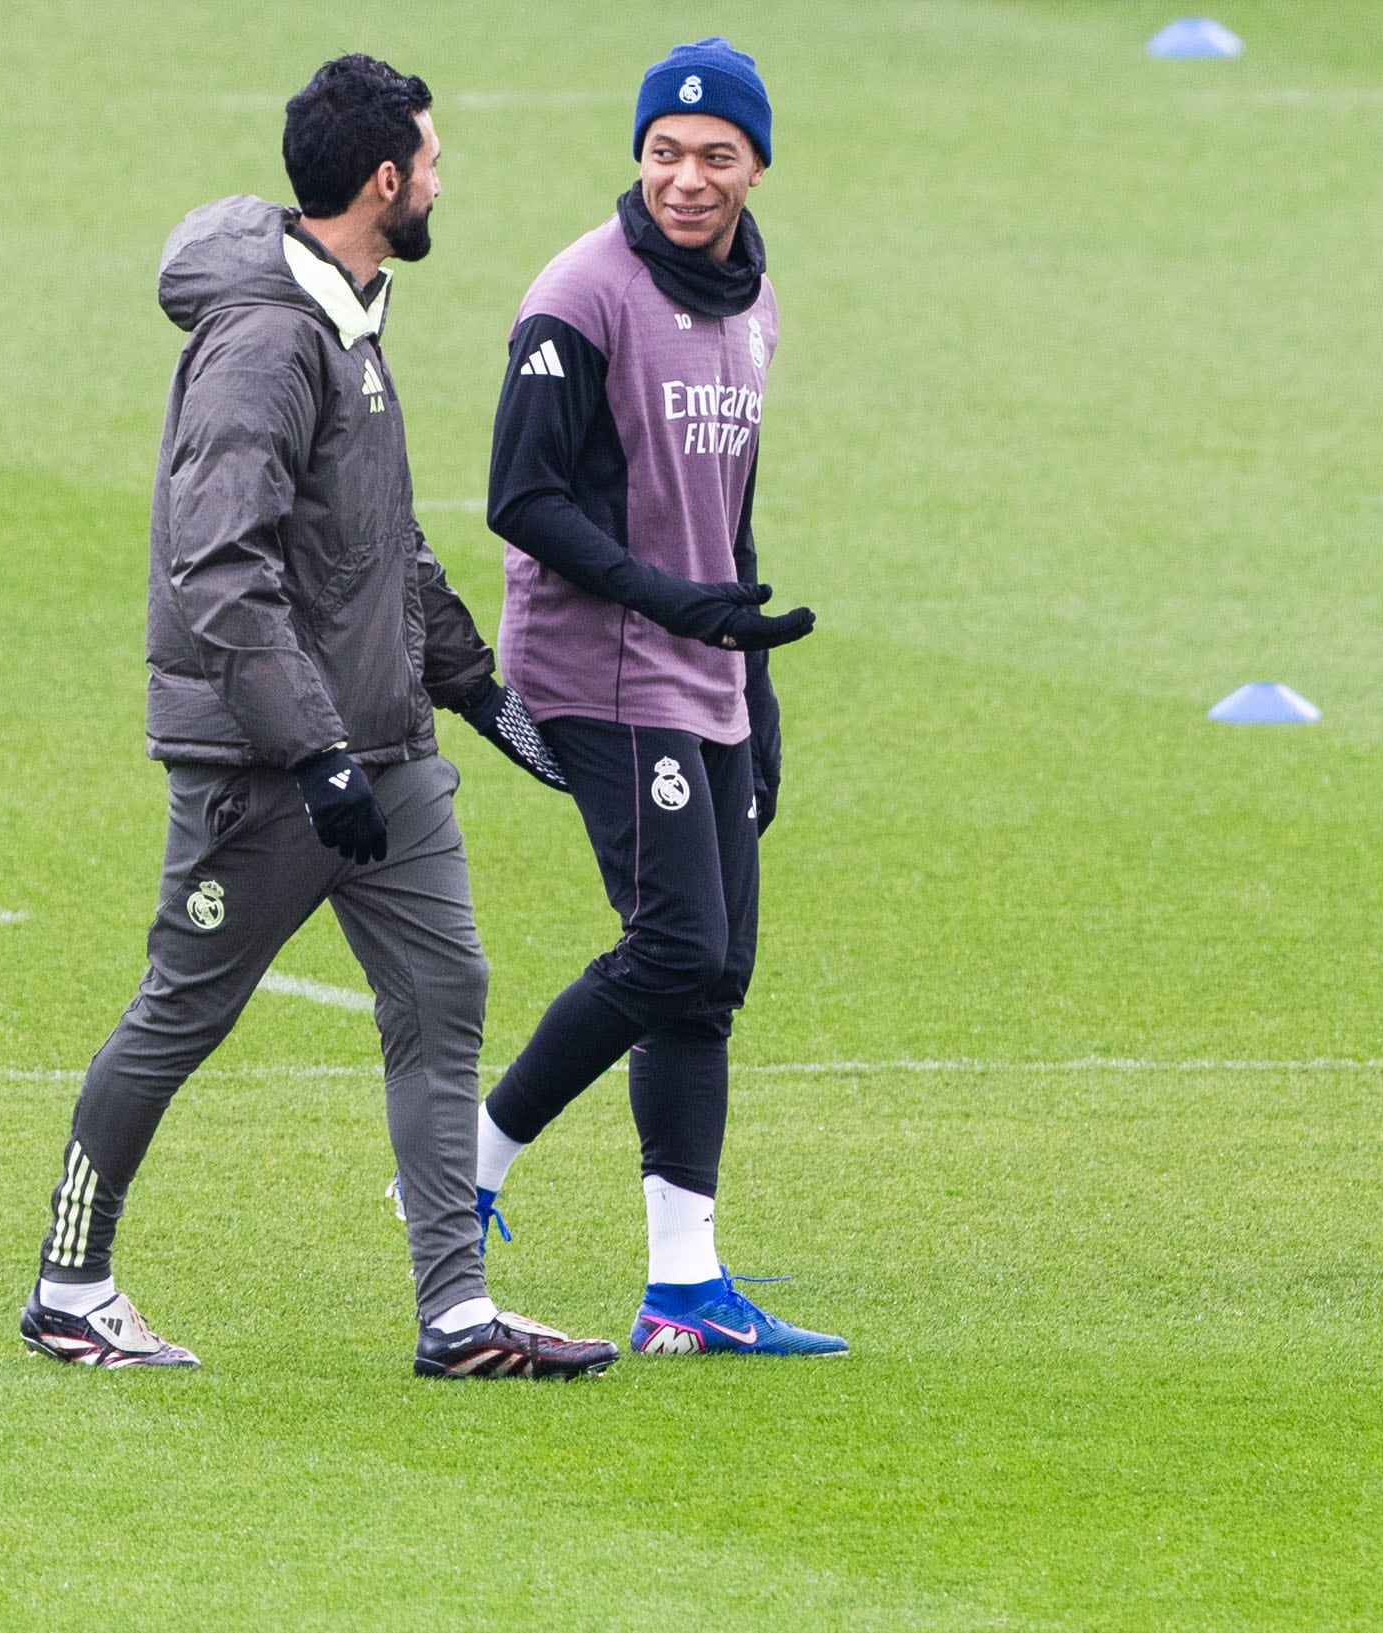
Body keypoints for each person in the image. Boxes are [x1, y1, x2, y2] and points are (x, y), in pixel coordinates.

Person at [22, 54, 618, 1379]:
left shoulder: (350, 317)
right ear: (383, 180)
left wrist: (476, 689)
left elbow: (377, 542)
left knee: (443, 990)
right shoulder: (267, 344)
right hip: (270, 764)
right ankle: (70, 1285)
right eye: (434, 160)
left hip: (381, 748)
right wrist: (312, 748)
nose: (444, 180)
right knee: (182, 1011)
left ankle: (456, 1315)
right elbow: (217, 568)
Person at [472, 39, 849, 1357]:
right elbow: (519, 498)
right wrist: (667, 603)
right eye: (664, 152)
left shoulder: (754, 303)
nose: (685, 178)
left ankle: (682, 1292)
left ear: (756, 167)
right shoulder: (579, 295)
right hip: (600, 670)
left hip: (701, 671)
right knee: (677, 946)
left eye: (714, 156)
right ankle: (470, 1159)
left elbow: (725, 520)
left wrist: (755, 692)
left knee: (712, 976)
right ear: (637, 156)